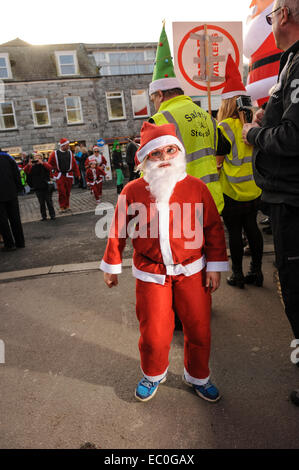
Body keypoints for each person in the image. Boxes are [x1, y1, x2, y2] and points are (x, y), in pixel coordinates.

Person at [100, 121, 228, 403]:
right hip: (151, 273)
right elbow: (117, 229)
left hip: (193, 271)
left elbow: (213, 228)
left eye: (171, 150)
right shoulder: (133, 191)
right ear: (145, 158)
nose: (165, 158)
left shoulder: (195, 187)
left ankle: (198, 376)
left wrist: (216, 266)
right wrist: (112, 265)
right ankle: (153, 373)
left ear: (179, 152)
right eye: (156, 153)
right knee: (154, 334)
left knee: (199, 329)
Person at [242, 0, 299, 405]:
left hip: (293, 203)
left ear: (284, 15)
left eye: (272, 14)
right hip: (286, 199)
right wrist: (270, 121)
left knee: (296, 293)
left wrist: (254, 135)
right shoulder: (290, 64)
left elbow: (294, 137)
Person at [148, 23, 231, 215]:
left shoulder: (159, 120)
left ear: (160, 94)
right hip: (211, 201)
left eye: (153, 99)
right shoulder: (207, 116)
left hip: (181, 207)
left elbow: (150, 173)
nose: (154, 105)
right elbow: (224, 148)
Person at [216, 54, 264, 288]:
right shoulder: (254, 123)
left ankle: (237, 274)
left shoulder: (223, 127)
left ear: (226, 102)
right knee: (253, 228)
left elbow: (217, 162)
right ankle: (257, 272)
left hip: (231, 192)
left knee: (234, 232)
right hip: (254, 189)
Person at [0, 149, 25, 251]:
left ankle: (9, 244)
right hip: (11, 192)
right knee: (15, 218)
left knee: (2, 221)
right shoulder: (8, 157)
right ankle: (20, 242)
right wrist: (19, 188)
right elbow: (17, 173)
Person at [48, 138, 80, 213]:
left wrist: (77, 173)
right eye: (67, 145)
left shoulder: (70, 153)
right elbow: (49, 165)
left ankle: (67, 205)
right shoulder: (54, 154)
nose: (68, 146)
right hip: (60, 175)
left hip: (69, 175)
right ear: (63, 145)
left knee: (68, 191)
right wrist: (51, 175)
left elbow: (74, 164)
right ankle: (62, 206)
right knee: (61, 191)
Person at [24, 153, 56, 221]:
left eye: (39, 158)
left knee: (49, 202)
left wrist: (42, 163)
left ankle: (52, 215)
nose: (37, 160)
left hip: (46, 186)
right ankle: (44, 216)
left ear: (41, 158)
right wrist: (28, 165)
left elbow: (50, 168)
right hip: (37, 187)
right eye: (36, 158)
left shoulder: (44, 164)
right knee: (41, 203)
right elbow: (24, 171)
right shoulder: (32, 166)